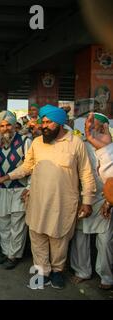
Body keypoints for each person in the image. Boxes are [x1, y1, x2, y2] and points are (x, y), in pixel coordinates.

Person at [0, 105, 96, 289]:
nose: (44, 126)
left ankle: (57, 271)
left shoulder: (76, 142)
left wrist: (87, 201)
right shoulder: (38, 142)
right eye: (43, 122)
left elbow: (86, 174)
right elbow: (26, 167)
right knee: (37, 237)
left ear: (60, 123)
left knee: (59, 239)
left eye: (48, 122)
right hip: (37, 201)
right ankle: (42, 271)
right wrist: (6, 177)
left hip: (63, 203)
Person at [70, 112, 112, 290]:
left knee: (105, 240)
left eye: (95, 123)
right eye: (88, 123)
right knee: (80, 236)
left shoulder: (110, 147)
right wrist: (80, 198)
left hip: (105, 199)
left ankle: (107, 277)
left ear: (104, 127)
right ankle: (82, 271)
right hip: (84, 197)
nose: (91, 126)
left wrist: (110, 201)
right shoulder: (80, 145)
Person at [0, 111, 31, 270]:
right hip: (2, 189)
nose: (5, 128)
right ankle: (6, 252)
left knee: (17, 225)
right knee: (3, 223)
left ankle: (13, 256)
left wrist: (29, 187)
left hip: (19, 189)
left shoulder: (26, 141)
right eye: (2, 125)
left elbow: (30, 166)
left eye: (8, 125)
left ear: (14, 125)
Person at [84, 112, 113, 183]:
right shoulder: (82, 144)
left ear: (103, 128)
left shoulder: (110, 149)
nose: (88, 128)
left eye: (93, 127)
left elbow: (109, 178)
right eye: (86, 125)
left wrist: (105, 149)